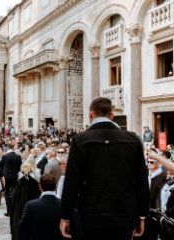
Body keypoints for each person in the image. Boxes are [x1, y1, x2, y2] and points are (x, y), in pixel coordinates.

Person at [60, 97, 150, 240]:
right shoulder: (132, 139)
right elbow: (141, 181)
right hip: (124, 213)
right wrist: (142, 215)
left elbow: (71, 182)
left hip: (92, 214)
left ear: (91, 115)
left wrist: (65, 216)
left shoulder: (80, 140)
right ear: (112, 115)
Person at [19, 174, 64, 240]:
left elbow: (22, 227)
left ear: (40, 187)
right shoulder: (64, 205)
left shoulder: (31, 205)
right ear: (56, 187)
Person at [11, 162, 41, 240]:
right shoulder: (35, 183)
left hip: (19, 209)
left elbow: (13, 197)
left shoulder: (19, 183)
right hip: (32, 210)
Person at [0, 143, 22, 217]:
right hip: (15, 176)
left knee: (6, 193)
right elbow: (19, 166)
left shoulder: (5, 156)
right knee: (14, 193)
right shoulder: (18, 156)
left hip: (7, 177)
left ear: (7, 149)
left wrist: (3, 173)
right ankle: (15, 209)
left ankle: (9, 211)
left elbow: (0, 165)